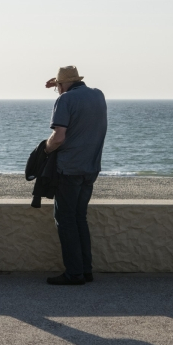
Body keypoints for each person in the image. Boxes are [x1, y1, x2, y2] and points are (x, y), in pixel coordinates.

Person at [44, 65, 107, 285]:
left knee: (65, 220)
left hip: (69, 169)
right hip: (91, 168)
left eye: (58, 87)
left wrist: (45, 149)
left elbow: (59, 136)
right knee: (80, 218)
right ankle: (85, 269)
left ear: (62, 85)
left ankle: (74, 273)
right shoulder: (98, 95)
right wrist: (60, 83)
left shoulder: (65, 100)